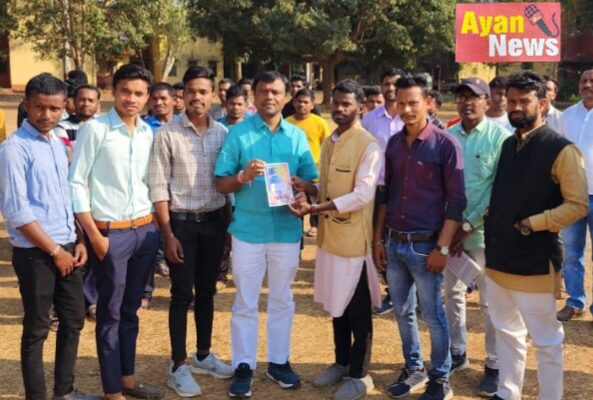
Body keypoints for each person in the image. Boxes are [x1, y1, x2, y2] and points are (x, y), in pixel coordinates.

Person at [483, 71, 588, 400]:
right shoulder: (508, 143)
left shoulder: (562, 150)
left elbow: (577, 205)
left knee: (546, 341)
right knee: (506, 332)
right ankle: (507, 392)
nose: (515, 107)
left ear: (542, 104)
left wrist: (534, 222)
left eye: (524, 101)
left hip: (535, 260)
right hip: (499, 258)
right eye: (511, 100)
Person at [214, 70, 318, 398]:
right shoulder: (238, 134)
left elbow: (313, 183)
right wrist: (243, 177)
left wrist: (304, 188)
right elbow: (221, 183)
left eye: (276, 92)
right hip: (248, 231)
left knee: (282, 299)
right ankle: (244, 365)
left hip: (286, 231)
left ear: (286, 97)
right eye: (263, 91)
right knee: (245, 300)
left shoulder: (296, 136)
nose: (269, 97)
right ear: (254, 96)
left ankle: (278, 362)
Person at [0, 73, 101, 400]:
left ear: (64, 107)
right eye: (39, 107)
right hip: (36, 253)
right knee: (37, 328)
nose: (47, 115)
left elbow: (67, 198)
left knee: (73, 320)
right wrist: (56, 252)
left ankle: (64, 391)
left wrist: (80, 239)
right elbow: (17, 212)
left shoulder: (58, 145)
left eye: (54, 108)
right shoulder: (13, 149)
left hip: (68, 246)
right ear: (26, 105)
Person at [69, 63, 164, 400]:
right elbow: (76, 183)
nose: (131, 99)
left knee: (130, 311)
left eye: (139, 93)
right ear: (113, 91)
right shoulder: (95, 130)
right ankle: (112, 392)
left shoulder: (147, 132)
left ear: (147, 97)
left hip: (144, 233)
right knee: (109, 314)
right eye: (125, 91)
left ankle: (128, 380)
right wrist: (94, 236)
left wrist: (155, 227)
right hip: (110, 236)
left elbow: (149, 182)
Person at [373, 75, 466, 400]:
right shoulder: (395, 144)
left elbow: (457, 202)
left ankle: (441, 378)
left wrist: (443, 247)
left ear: (428, 103)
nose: (407, 109)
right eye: (401, 103)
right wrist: (378, 240)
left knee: (434, 316)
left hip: (427, 246)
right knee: (402, 311)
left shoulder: (446, 145)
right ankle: (414, 368)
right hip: (394, 242)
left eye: (413, 102)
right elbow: (386, 194)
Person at [289, 79, 382, 400]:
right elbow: (327, 186)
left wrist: (317, 208)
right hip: (330, 240)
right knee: (336, 305)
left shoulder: (368, 145)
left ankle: (360, 374)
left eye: (347, 104)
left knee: (358, 312)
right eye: (336, 102)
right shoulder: (331, 141)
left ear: (361, 107)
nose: (340, 109)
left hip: (354, 244)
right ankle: (341, 362)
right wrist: (308, 188)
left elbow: (362, 195)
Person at [150, 66, 234, 397]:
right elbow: (158, 188)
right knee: (182, 295)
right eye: (191, 91)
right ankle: (178, 365)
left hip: (214, 222)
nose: (197, 97)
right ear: (181, 95)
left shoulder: (223, 134)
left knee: (208, 292)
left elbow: (227, 186)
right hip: (181, 224)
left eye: (203, 91)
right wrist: (168, 235)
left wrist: (228, 229)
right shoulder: (166, 134)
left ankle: (202, 354)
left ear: (213, 95)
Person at [446, 77, 511, 397]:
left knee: (490, 302)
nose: (467, 102)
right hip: (451, 234)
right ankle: (457, 352)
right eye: (461, 96)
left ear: (487, 101)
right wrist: (450, 228)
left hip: (485, 235)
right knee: (452, 294)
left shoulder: (501, 139)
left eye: (474, 97)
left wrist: (468, 225)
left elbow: (498, 190)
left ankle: (494, 364)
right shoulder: (447, 137)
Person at [362, 67, 404, 315]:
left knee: (398, 240)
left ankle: (404, 293)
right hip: (375, 190)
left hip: (403, 190)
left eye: (394, 84)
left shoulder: (410, 116)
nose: (390, 88)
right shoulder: (369, 119)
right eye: (386, 83)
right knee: (375, 240)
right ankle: (387, 291)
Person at [556, 69, 593, 322]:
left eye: (592, 81)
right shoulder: (566, 116)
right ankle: (575, 301)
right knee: (571, 252)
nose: (588, 85)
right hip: (572, 196)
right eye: (584, 81)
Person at [286, 87, 330, 238]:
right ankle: (296, 232)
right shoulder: (286, 123)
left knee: (313, 199)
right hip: (293, 171)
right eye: (299, 101)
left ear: (312, 105)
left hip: (313, 171)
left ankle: (314, 225)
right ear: (293, 102)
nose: (302, 105)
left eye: (306, 102)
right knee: (296, 201)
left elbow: (327, 146)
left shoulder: (320, 123)